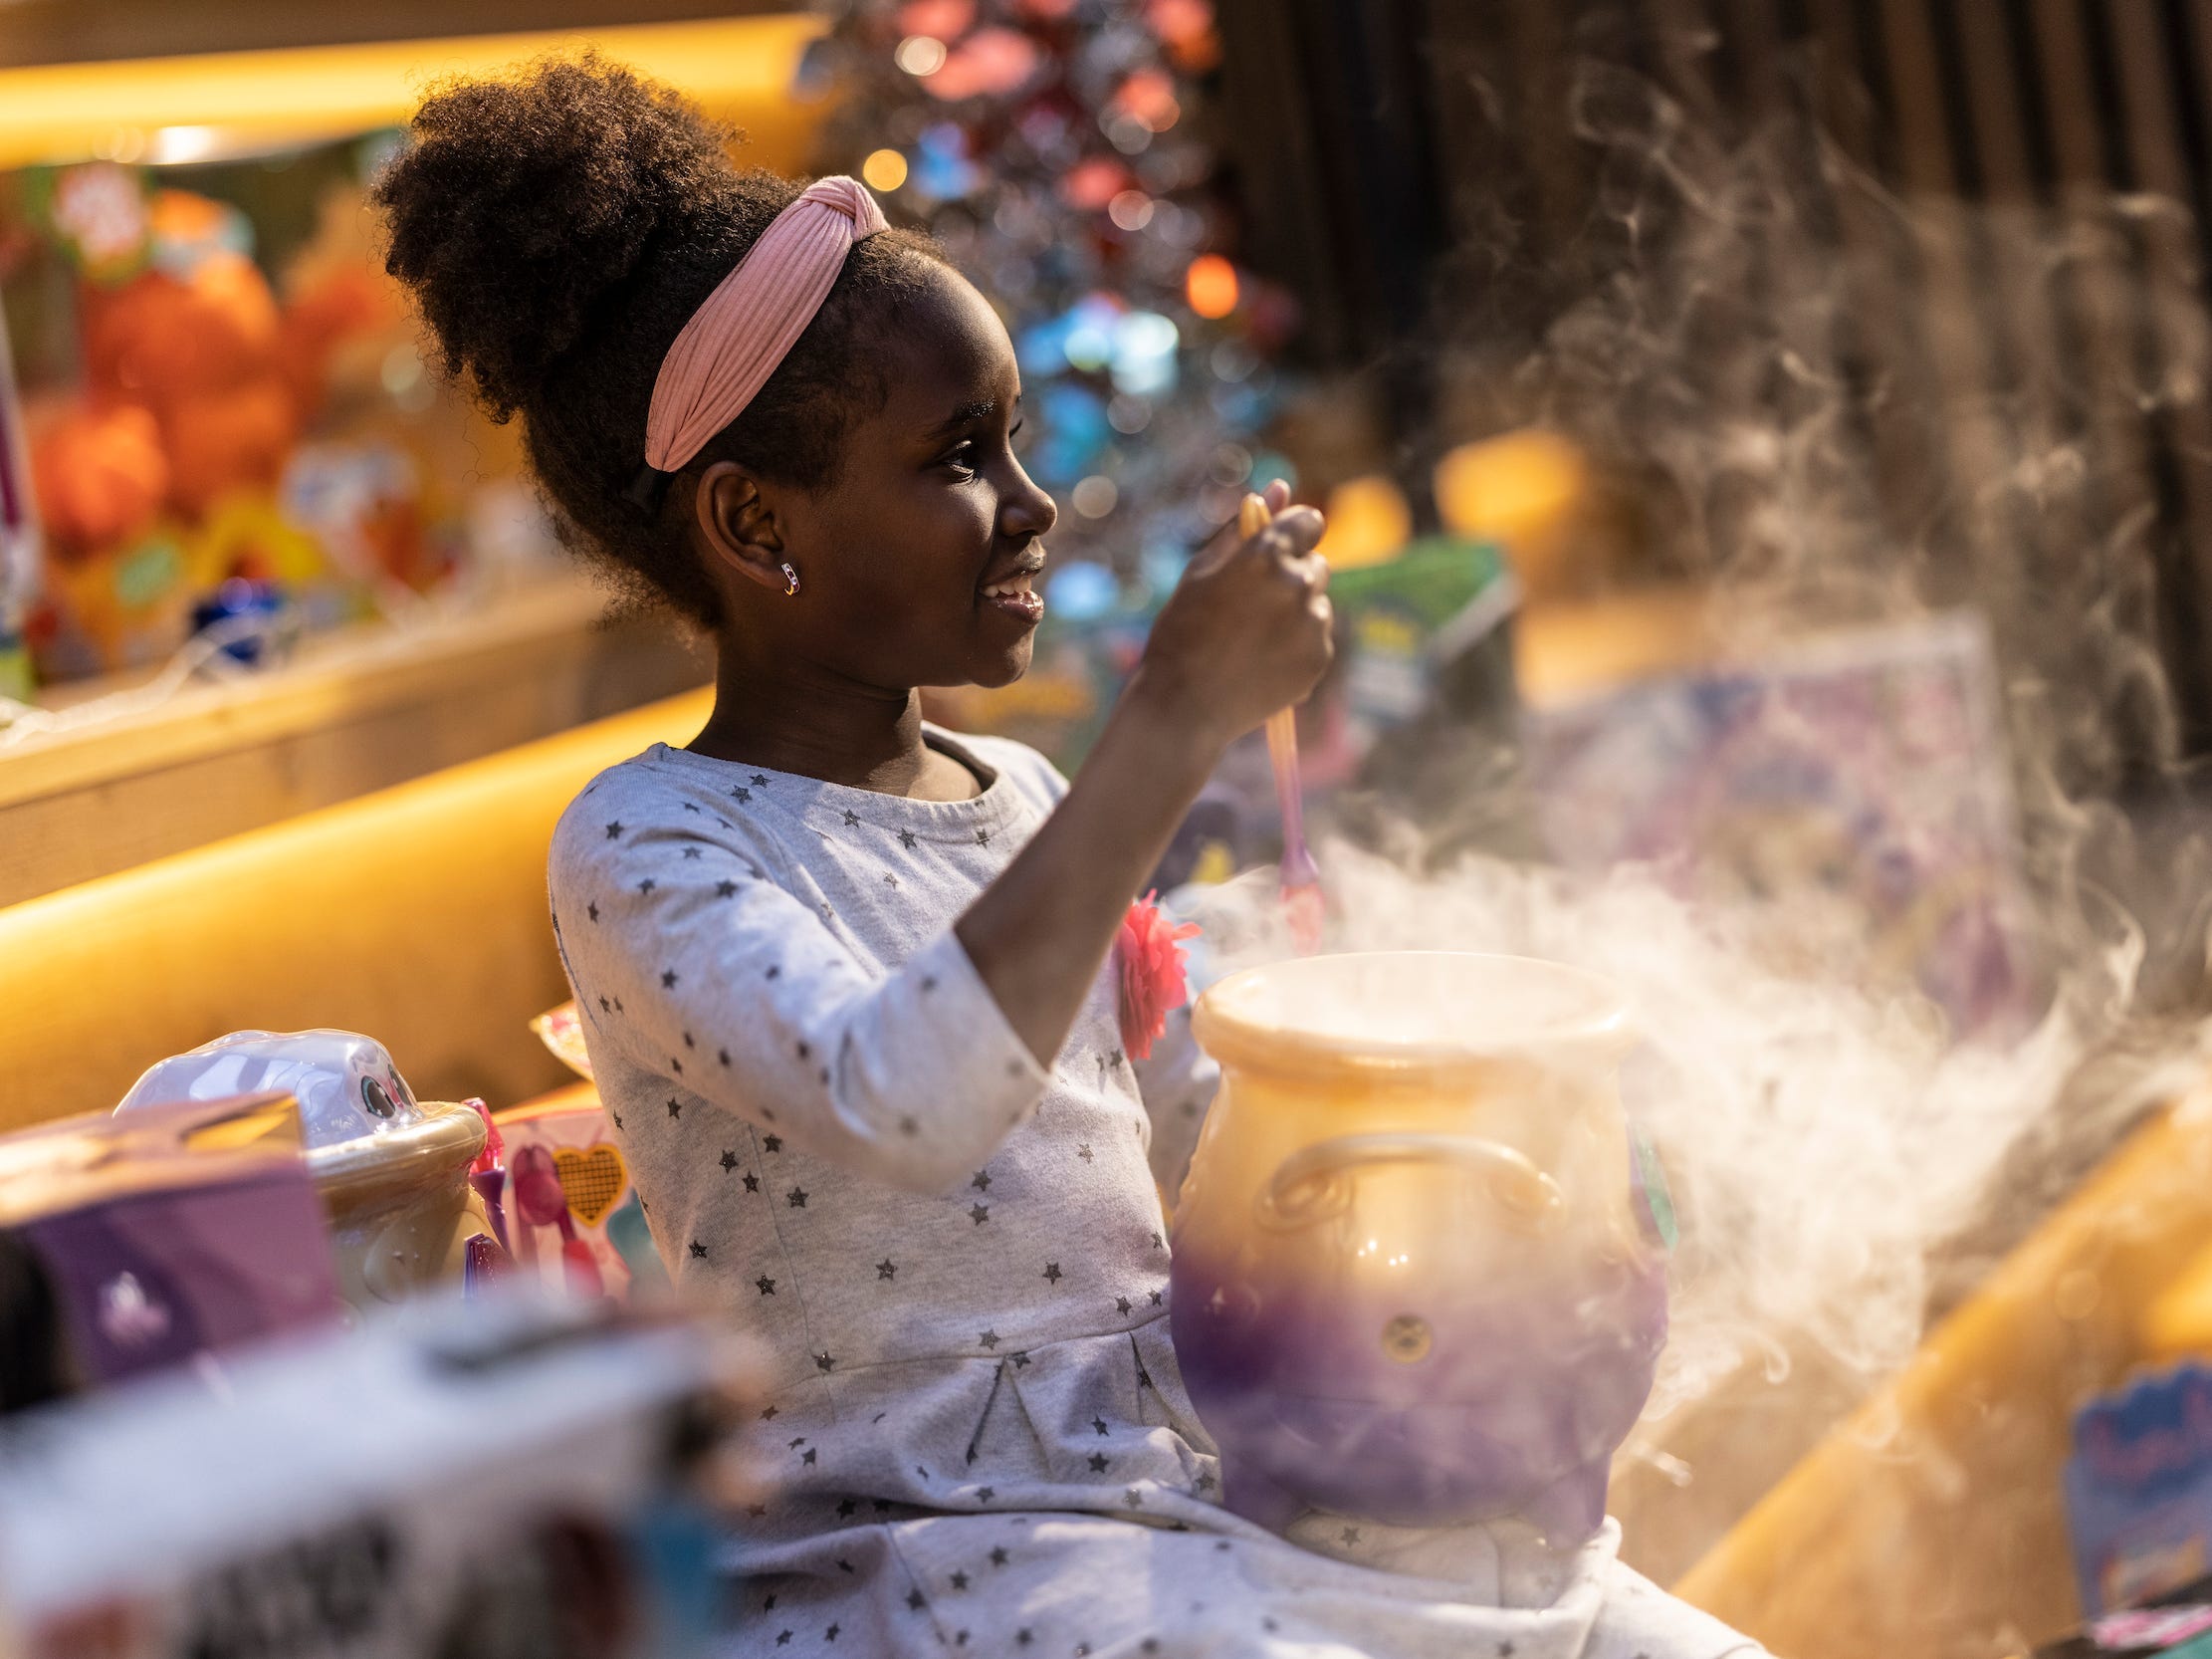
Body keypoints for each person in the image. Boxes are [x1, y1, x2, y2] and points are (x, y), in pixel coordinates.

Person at [373, 56, 1765, 1659]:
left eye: (1013, 443)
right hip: (908, 1554)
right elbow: (903, 1091)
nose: (1031, 505)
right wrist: (1171, 718)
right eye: (957, 457)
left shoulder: (1020, 791)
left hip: (1175, 1489)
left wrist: (1400, 1110)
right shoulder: (647, 841)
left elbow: (1175, 1148)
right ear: (758, 528)